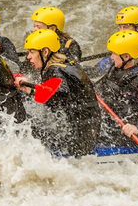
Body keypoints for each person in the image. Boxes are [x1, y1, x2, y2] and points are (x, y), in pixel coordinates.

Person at [15, 29, 99, 157]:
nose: (28, 57)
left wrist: (30, 88)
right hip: (88, 128)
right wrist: (31, 90)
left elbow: (60, 94)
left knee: (25, 127)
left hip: (80, 138)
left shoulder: (55, 70)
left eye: (32, 52)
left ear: (45, 52)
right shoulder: (66, 62)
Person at [86, 5, 138, 78]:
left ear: (137, 27)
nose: (121, 31)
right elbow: (97, 69)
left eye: (125, 27)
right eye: (120, 27)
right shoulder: (123, 42)